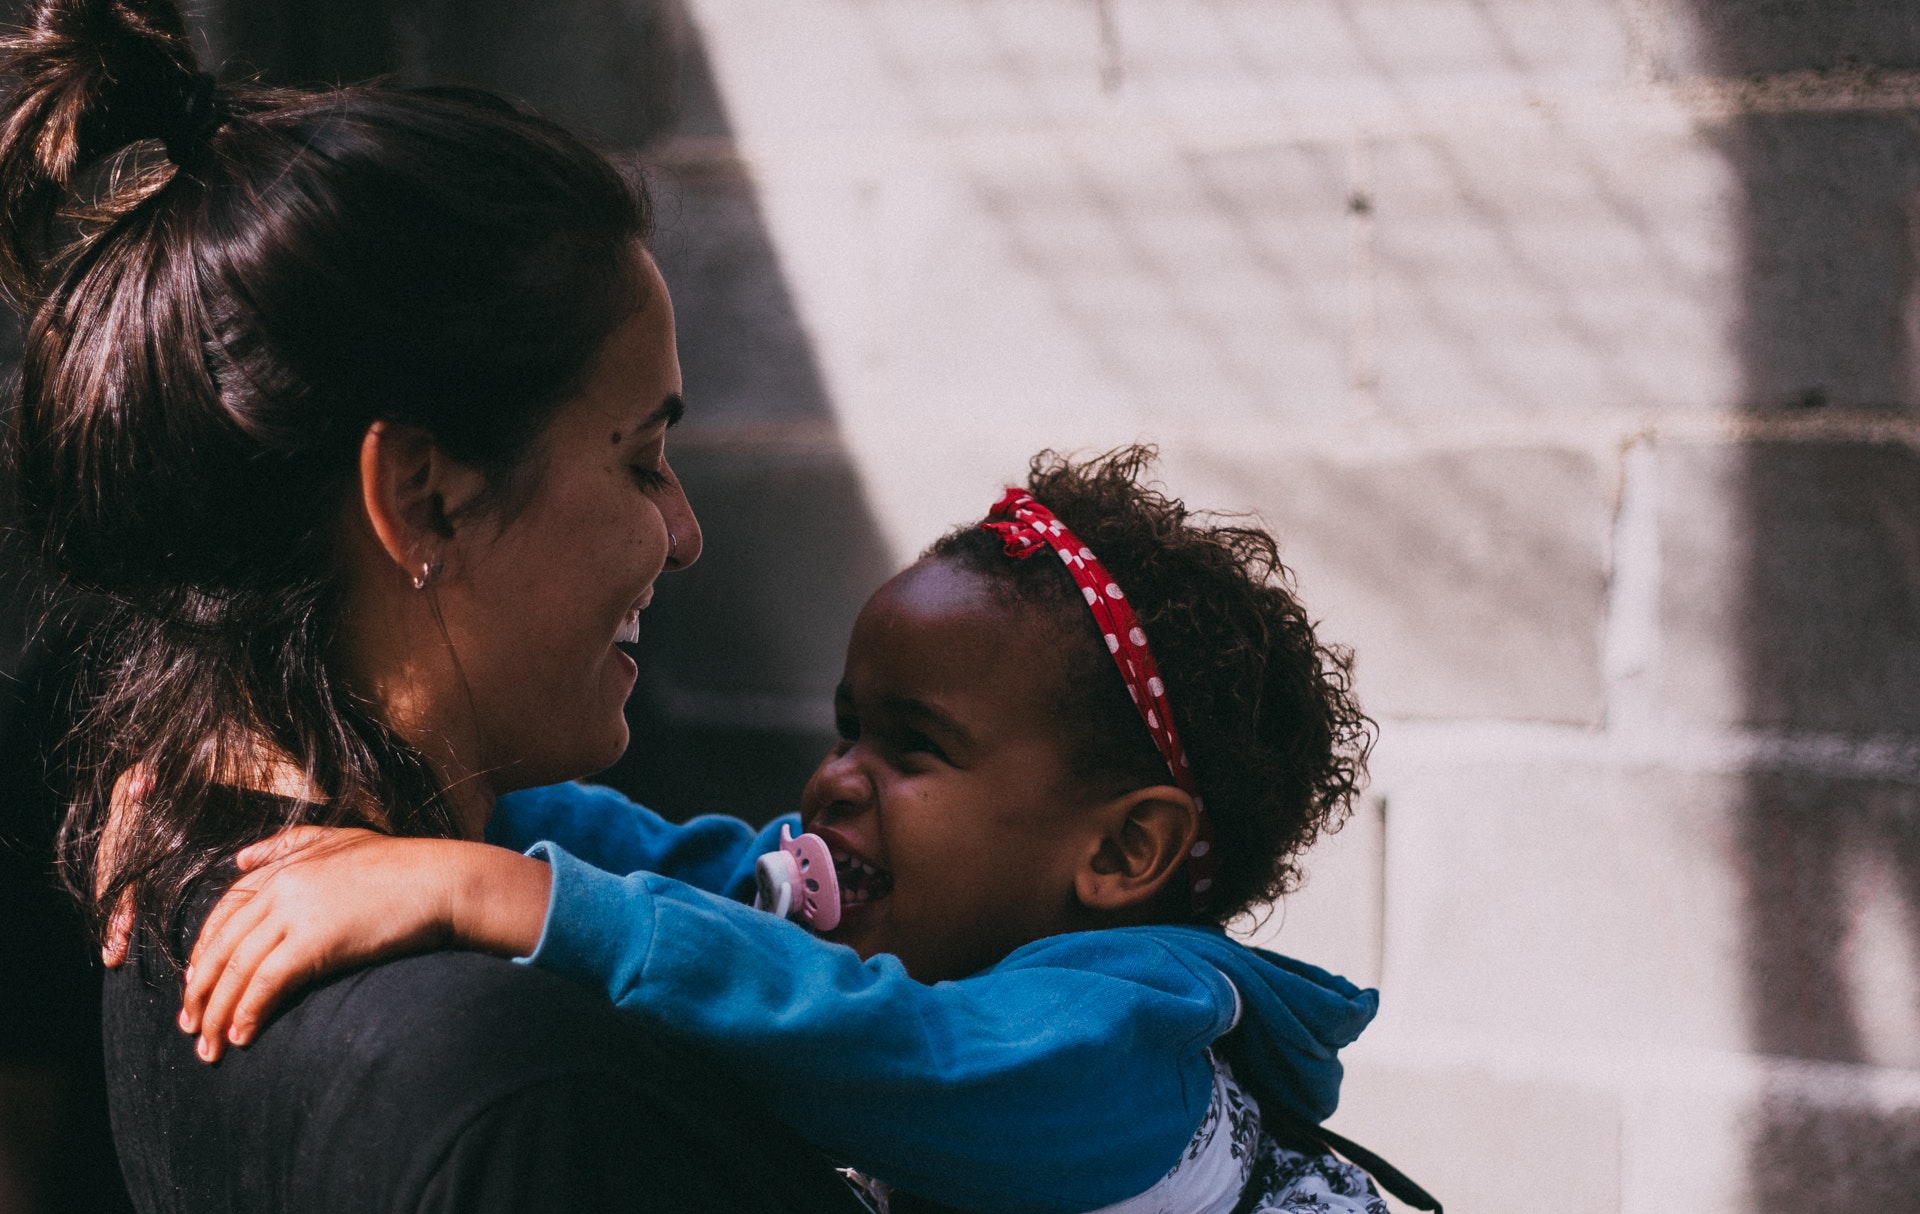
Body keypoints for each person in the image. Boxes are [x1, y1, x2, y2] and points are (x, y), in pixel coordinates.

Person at [0, 0, 865, 1209]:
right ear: (423, 495)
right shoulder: (519, 1089)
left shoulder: (178, 879)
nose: (683, 533)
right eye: (637, 459)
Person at [175, 448, 1409, 1214]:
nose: (836, 781)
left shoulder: (1126, 1042)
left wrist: (500, 894)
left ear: (1121, 852)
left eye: (913, 748)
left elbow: (904, 1046)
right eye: (846, 729)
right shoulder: (910, 911)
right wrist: (368, 791)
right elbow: (691, 870)